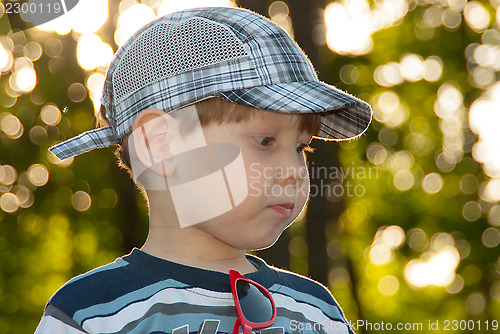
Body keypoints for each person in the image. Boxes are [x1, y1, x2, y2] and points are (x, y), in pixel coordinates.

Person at [35, 6, 372, 334]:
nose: (294, 171)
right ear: (158, 146)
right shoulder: (93, 313)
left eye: (301, 147)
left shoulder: (316, 312)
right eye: (266, 141)